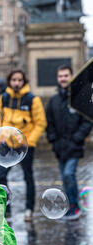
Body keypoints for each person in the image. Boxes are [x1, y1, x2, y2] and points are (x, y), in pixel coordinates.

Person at [0, 69, 47, 222]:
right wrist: (0, 136)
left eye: (19, 80)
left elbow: (40, 123)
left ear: (24, 81)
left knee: (28, 177)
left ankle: (29, 209)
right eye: (14, 80)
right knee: (1, 176)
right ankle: (7, 210)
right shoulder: (3, 98)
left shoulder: (32, 99)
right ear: (9, 82)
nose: (16, 83)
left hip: (25, 145)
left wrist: (30, 141)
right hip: (6, 145)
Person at [46, 64, 92, 220]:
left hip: (74, 146)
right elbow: (49, 122)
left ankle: (74, 205)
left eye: (66, 75)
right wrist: (52, 139)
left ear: (71, 77)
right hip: (60, 146)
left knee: (68, 174)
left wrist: (78, 138)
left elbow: (87, 120)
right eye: (60, 76)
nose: (63, 78)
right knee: (65, 177)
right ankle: (70, 205)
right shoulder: (53, 100)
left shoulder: (79, 98)